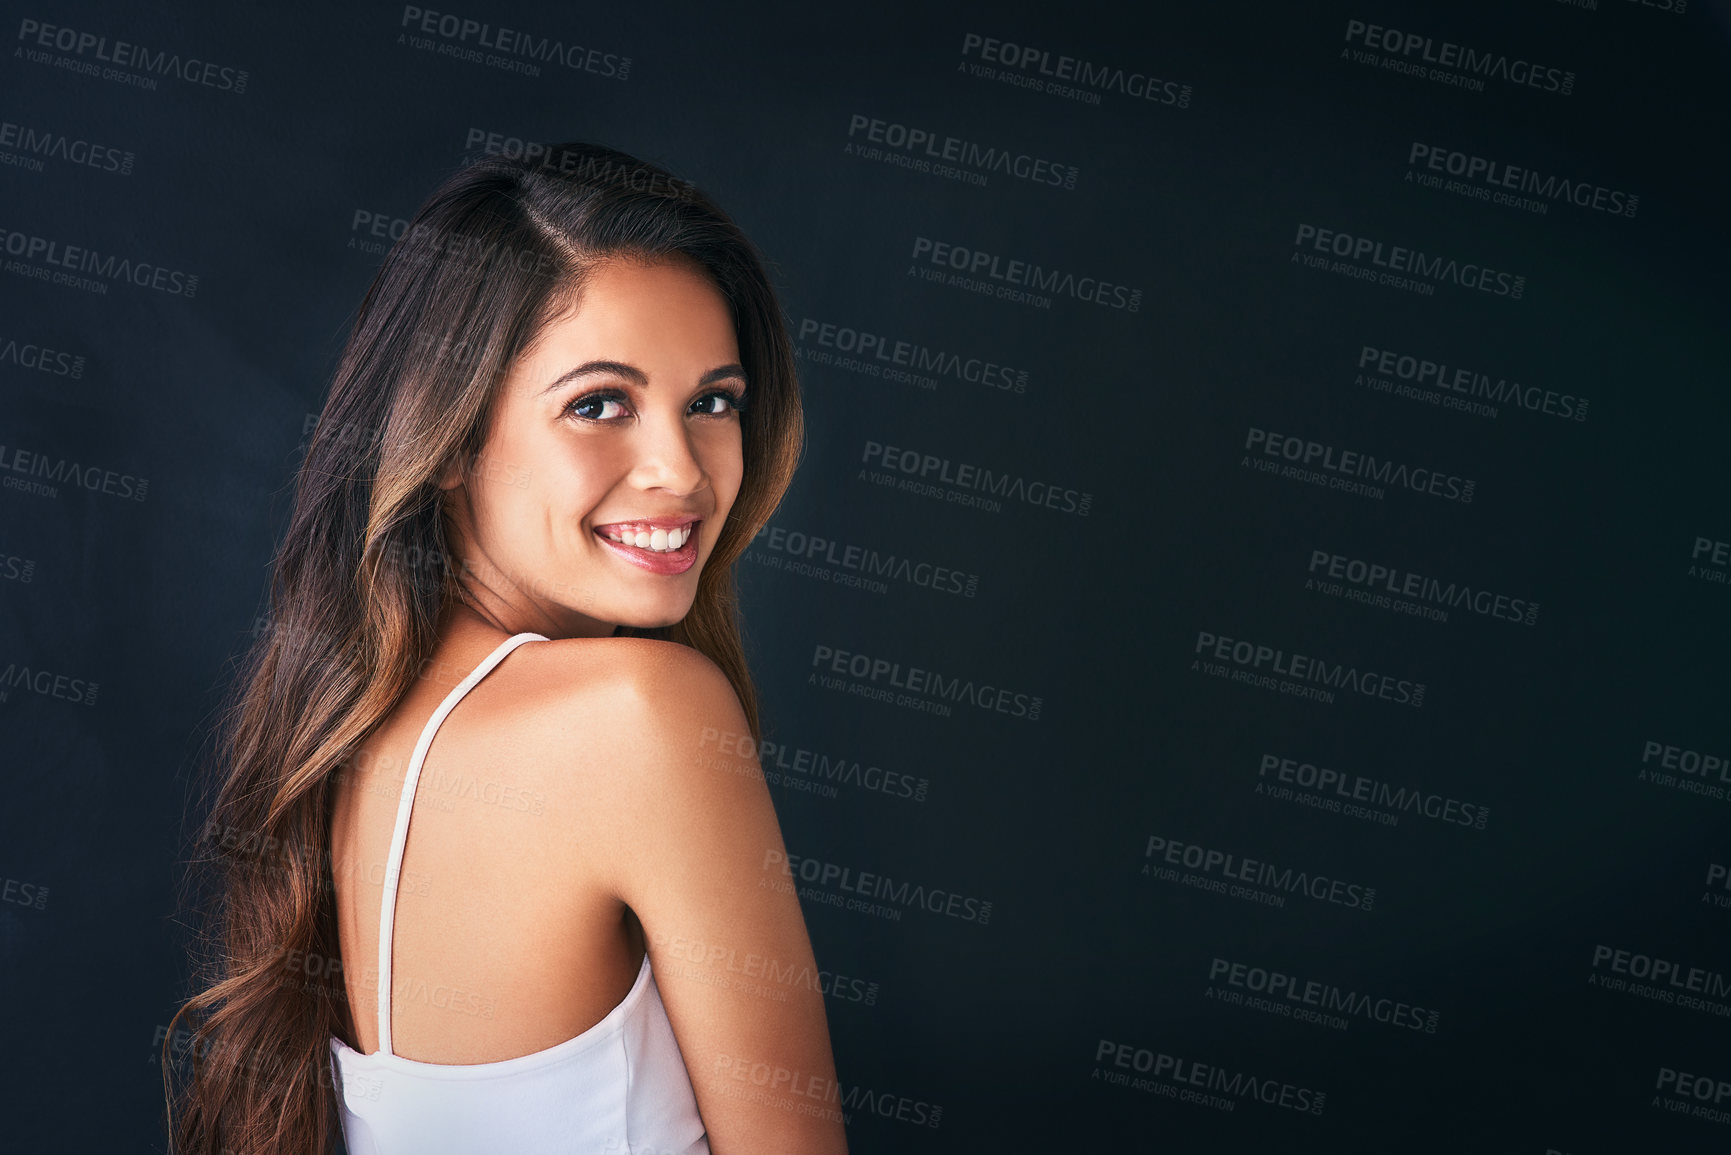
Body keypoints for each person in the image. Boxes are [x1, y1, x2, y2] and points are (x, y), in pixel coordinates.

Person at [163, 141, 847, 1155]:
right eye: (599, 403)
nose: (681, 471)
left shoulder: (362, 731)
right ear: (447, 440)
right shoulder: (641, 715)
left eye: (713, 402)